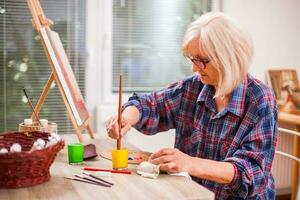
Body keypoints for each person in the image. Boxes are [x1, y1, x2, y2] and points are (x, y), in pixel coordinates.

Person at [106, 12, 278, 199]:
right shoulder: (193, 87)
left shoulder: (260, 99)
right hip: (193, 194)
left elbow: (251, 173)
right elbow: (150, 105)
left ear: (229, 58)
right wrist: (127, 117)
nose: (195, 68)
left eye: (202, 60)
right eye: (192, 59)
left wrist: (189, 163)